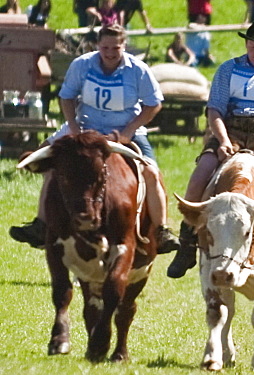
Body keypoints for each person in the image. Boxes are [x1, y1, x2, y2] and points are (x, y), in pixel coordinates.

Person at [9, 24, 178, 253]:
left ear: (124, 46)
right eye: (105, 47)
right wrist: (74, 127)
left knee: (152, 172)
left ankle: (161, 230)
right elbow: (66, 97)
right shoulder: (82, 65)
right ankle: (41, 224)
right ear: (98, 45)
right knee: (49, 162)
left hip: (125, 131)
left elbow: (154, 104)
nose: (109, 53)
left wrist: (129, 131)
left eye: (115, 48)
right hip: (85, 128)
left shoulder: (138, 69)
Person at [167, 20, 254, 278]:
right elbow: (215, 110)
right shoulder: (227, 70)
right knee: (199, 177)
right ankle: (187, 245)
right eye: (253, 46)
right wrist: (222, 140)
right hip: (230, 131)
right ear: (246, 44)